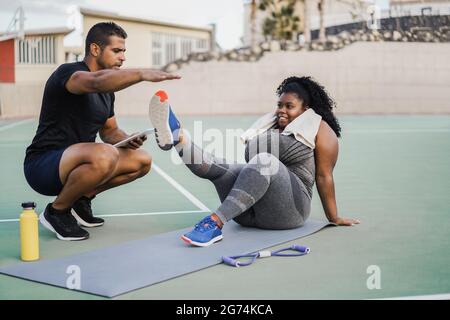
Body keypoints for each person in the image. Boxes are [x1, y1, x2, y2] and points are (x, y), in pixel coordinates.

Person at [148, 76, 360, 247]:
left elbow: (324, 176)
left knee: (264, 161)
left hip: (290, 212)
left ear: (305, 110)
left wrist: (334, 217)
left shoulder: (321, 130)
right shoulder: (271, 125)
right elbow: (251, 156)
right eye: (279, 104)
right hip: (248, 215)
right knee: (220, 168)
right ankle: (179, 139)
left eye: (290, 106)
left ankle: (214, 223)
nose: (281, 110)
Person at [24, 22, 180, 241]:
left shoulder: (108, 94)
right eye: (117, 51)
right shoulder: (70, 74)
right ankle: (57, 212)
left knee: (142, 160)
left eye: (124, 52)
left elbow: (110, 131)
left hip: (82, 163)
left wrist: (127, 139)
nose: (123, 58)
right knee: (106, 153)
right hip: (44, 166)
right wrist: (142, 73)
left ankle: (81, 199)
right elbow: (95, 82)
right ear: (95, 49)